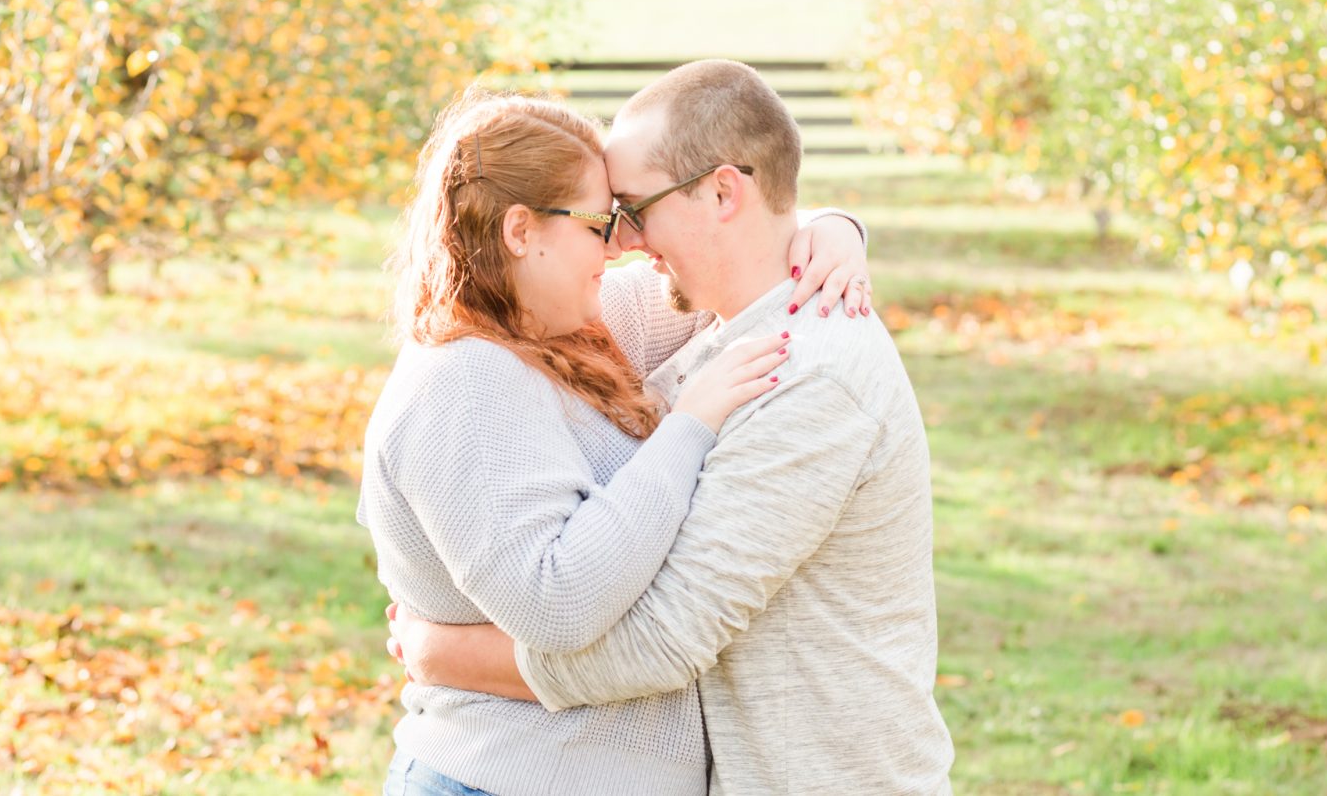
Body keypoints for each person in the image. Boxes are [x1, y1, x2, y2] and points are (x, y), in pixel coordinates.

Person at [390, 60, 955, 795]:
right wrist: (827, 224)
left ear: (723, 192)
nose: (624, 241)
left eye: (633, 207)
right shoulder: (697, 322)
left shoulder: (809, 372)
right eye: (604, 218)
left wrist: (448, 656)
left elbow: (658, 639)